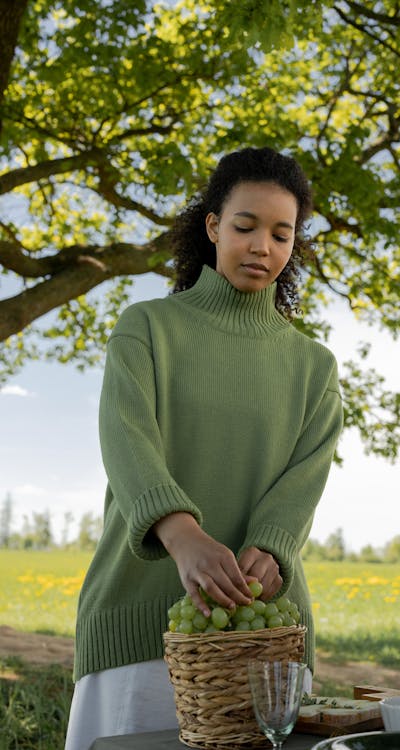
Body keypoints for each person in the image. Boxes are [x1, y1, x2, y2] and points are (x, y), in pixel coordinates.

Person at [65, 146, 344, 750]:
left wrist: (272, 548)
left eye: (281, 232)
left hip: (264, 643)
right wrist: (182, 534)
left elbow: (304, 481)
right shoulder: (146, 328)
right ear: (213, 226)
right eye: (244, 226)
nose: (262, 247)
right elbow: (125, 435)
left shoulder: (315, 368)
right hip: (137, 625)